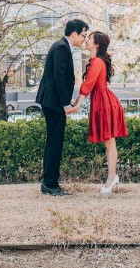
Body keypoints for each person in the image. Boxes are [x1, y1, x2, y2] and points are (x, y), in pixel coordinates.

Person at [35, 18, 89, 196]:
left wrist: (68, 100)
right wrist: (66, 104)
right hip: (53, 102)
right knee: (54, 143)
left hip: (54, 101)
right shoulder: (61, 47)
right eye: (83, 35)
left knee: (54, 142)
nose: (84, 39)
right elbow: (59, 77)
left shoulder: (63, 47)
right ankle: (50, 184)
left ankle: (50, 182)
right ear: (74, 34)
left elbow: (63, 79)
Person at [69, 31, 127, 194]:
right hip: (104, 101)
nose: (86, 40)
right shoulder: (97, 61)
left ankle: (111, 178)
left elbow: (87, 85)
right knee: (109, 142)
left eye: (89, 38)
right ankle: (112, 177)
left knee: (109, 142)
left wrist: (77, 105)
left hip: (105, 103)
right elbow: (89, 86)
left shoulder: (97, 62)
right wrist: (78, 103)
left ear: (96, 44)